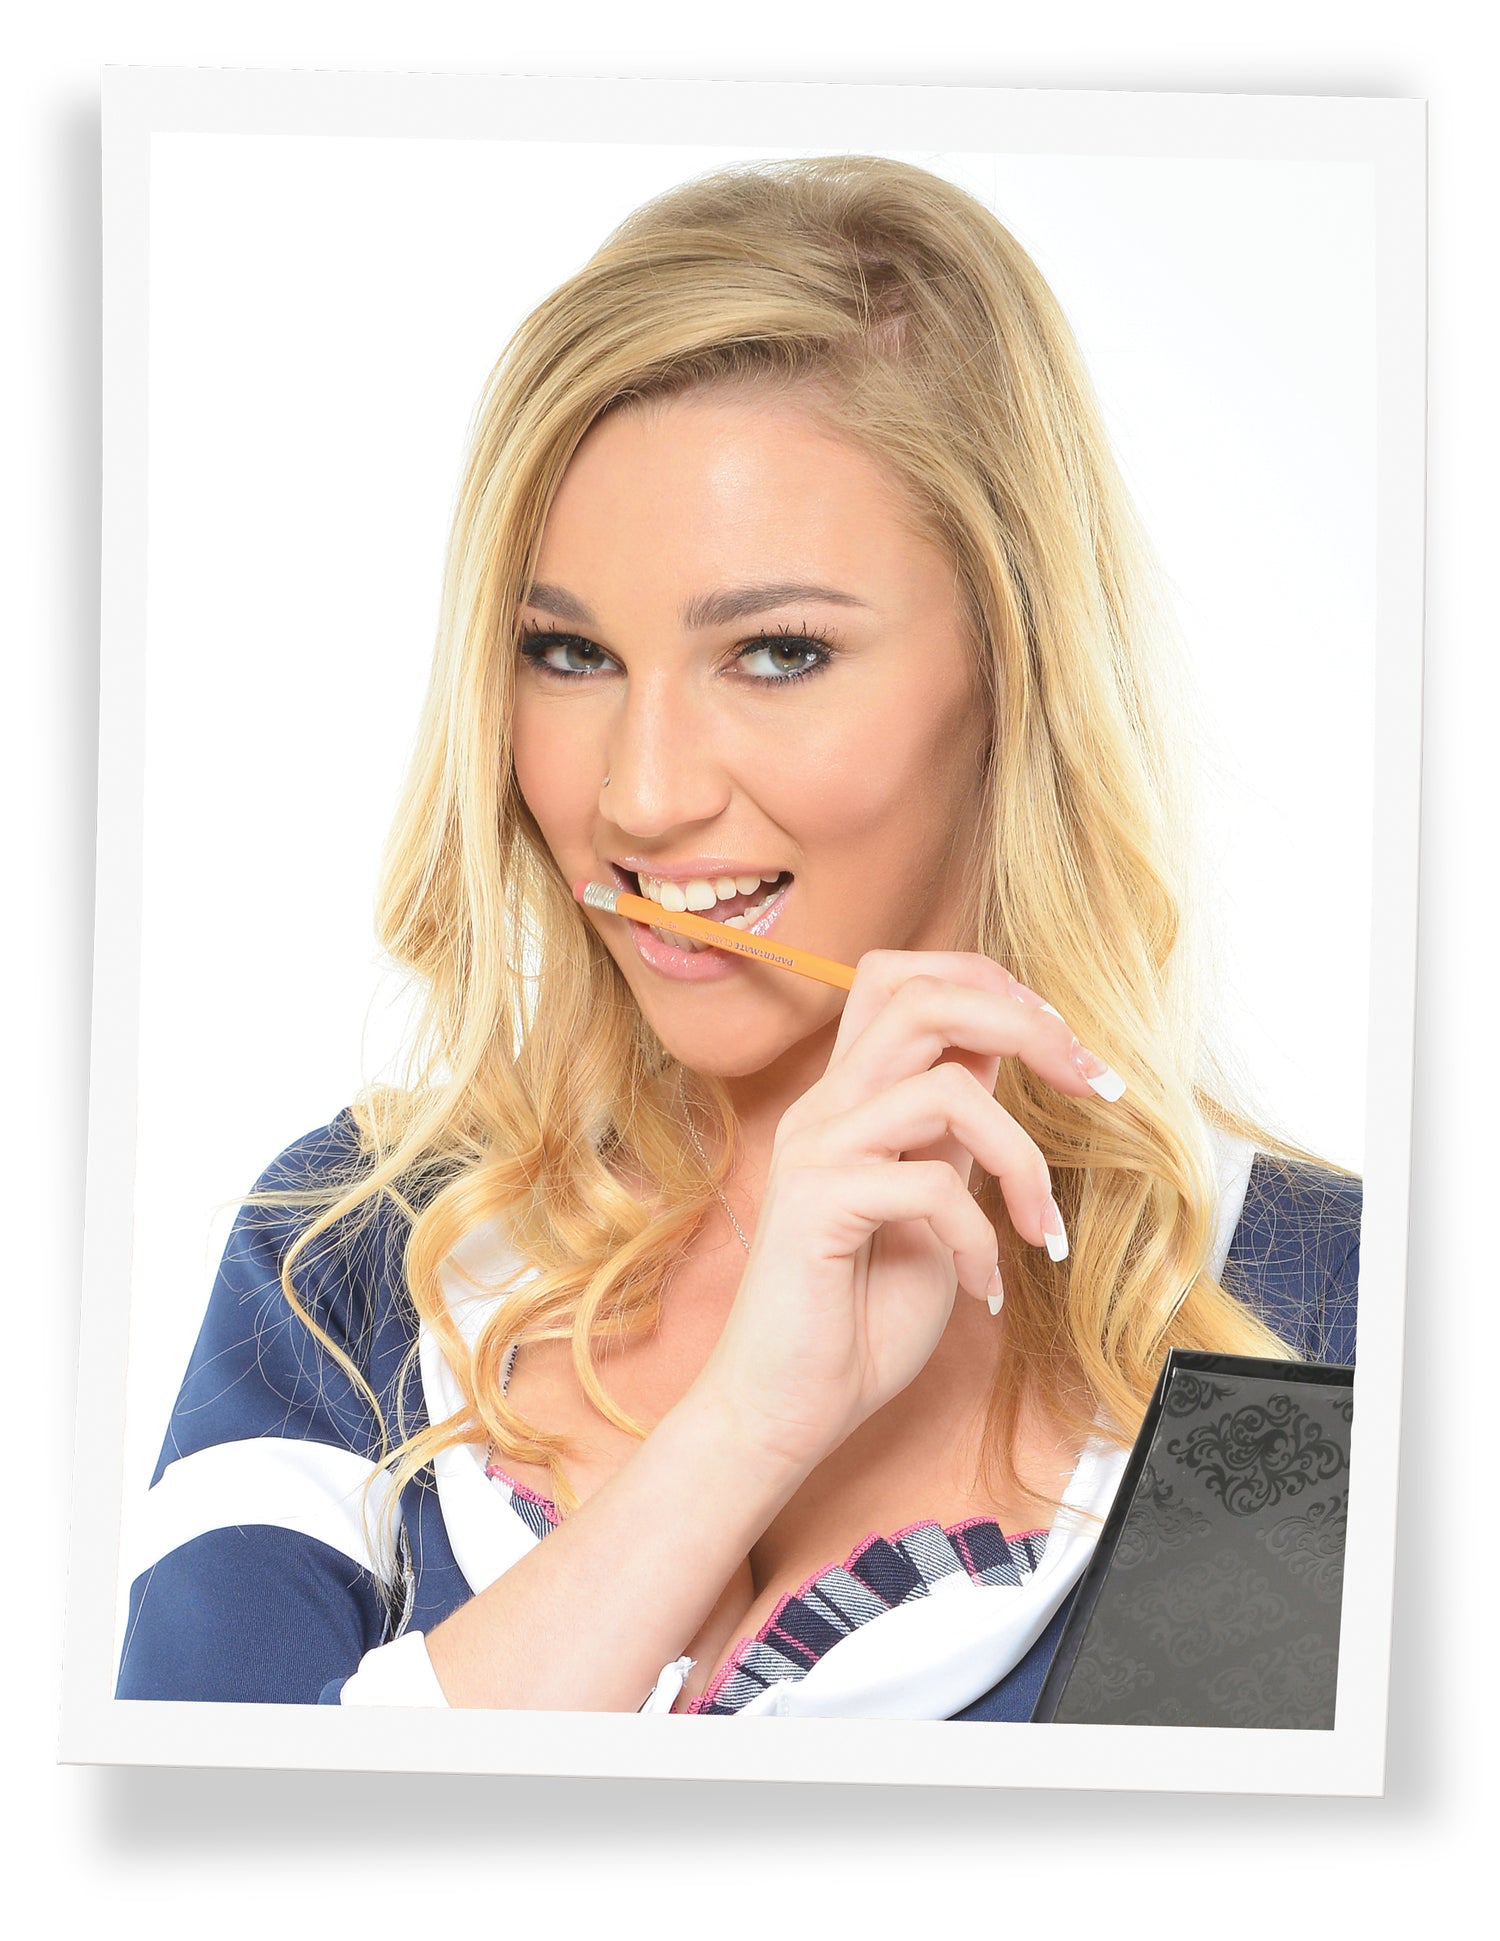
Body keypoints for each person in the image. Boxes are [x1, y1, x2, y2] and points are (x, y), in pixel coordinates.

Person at [115, 154, 1360, 1719]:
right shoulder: (349, 1255)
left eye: (776, 652)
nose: (638, 795)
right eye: (566, 652)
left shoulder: (1317, 1311)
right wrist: (742, 1432)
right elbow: (213, 1845)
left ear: (1015, 667)